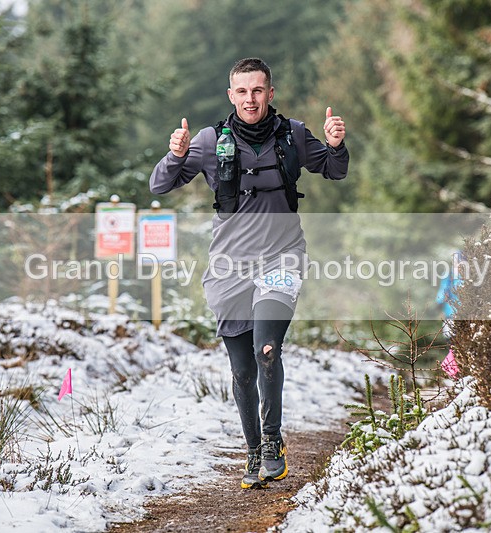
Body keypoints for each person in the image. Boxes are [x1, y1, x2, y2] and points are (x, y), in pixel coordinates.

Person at [149, 57, 348, 489]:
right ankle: (254, 448)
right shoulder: (208, 141)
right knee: (241, 370)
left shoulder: (292, 134)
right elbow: (159, 185)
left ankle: (274, 439)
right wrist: (176, 155)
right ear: (231, 95)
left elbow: (334, 169)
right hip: (228, 269)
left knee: (267, 350)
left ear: (270, 93)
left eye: (258, 90)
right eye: (242, 91)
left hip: (282, 259)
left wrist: (335, 145)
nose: (250, 99)